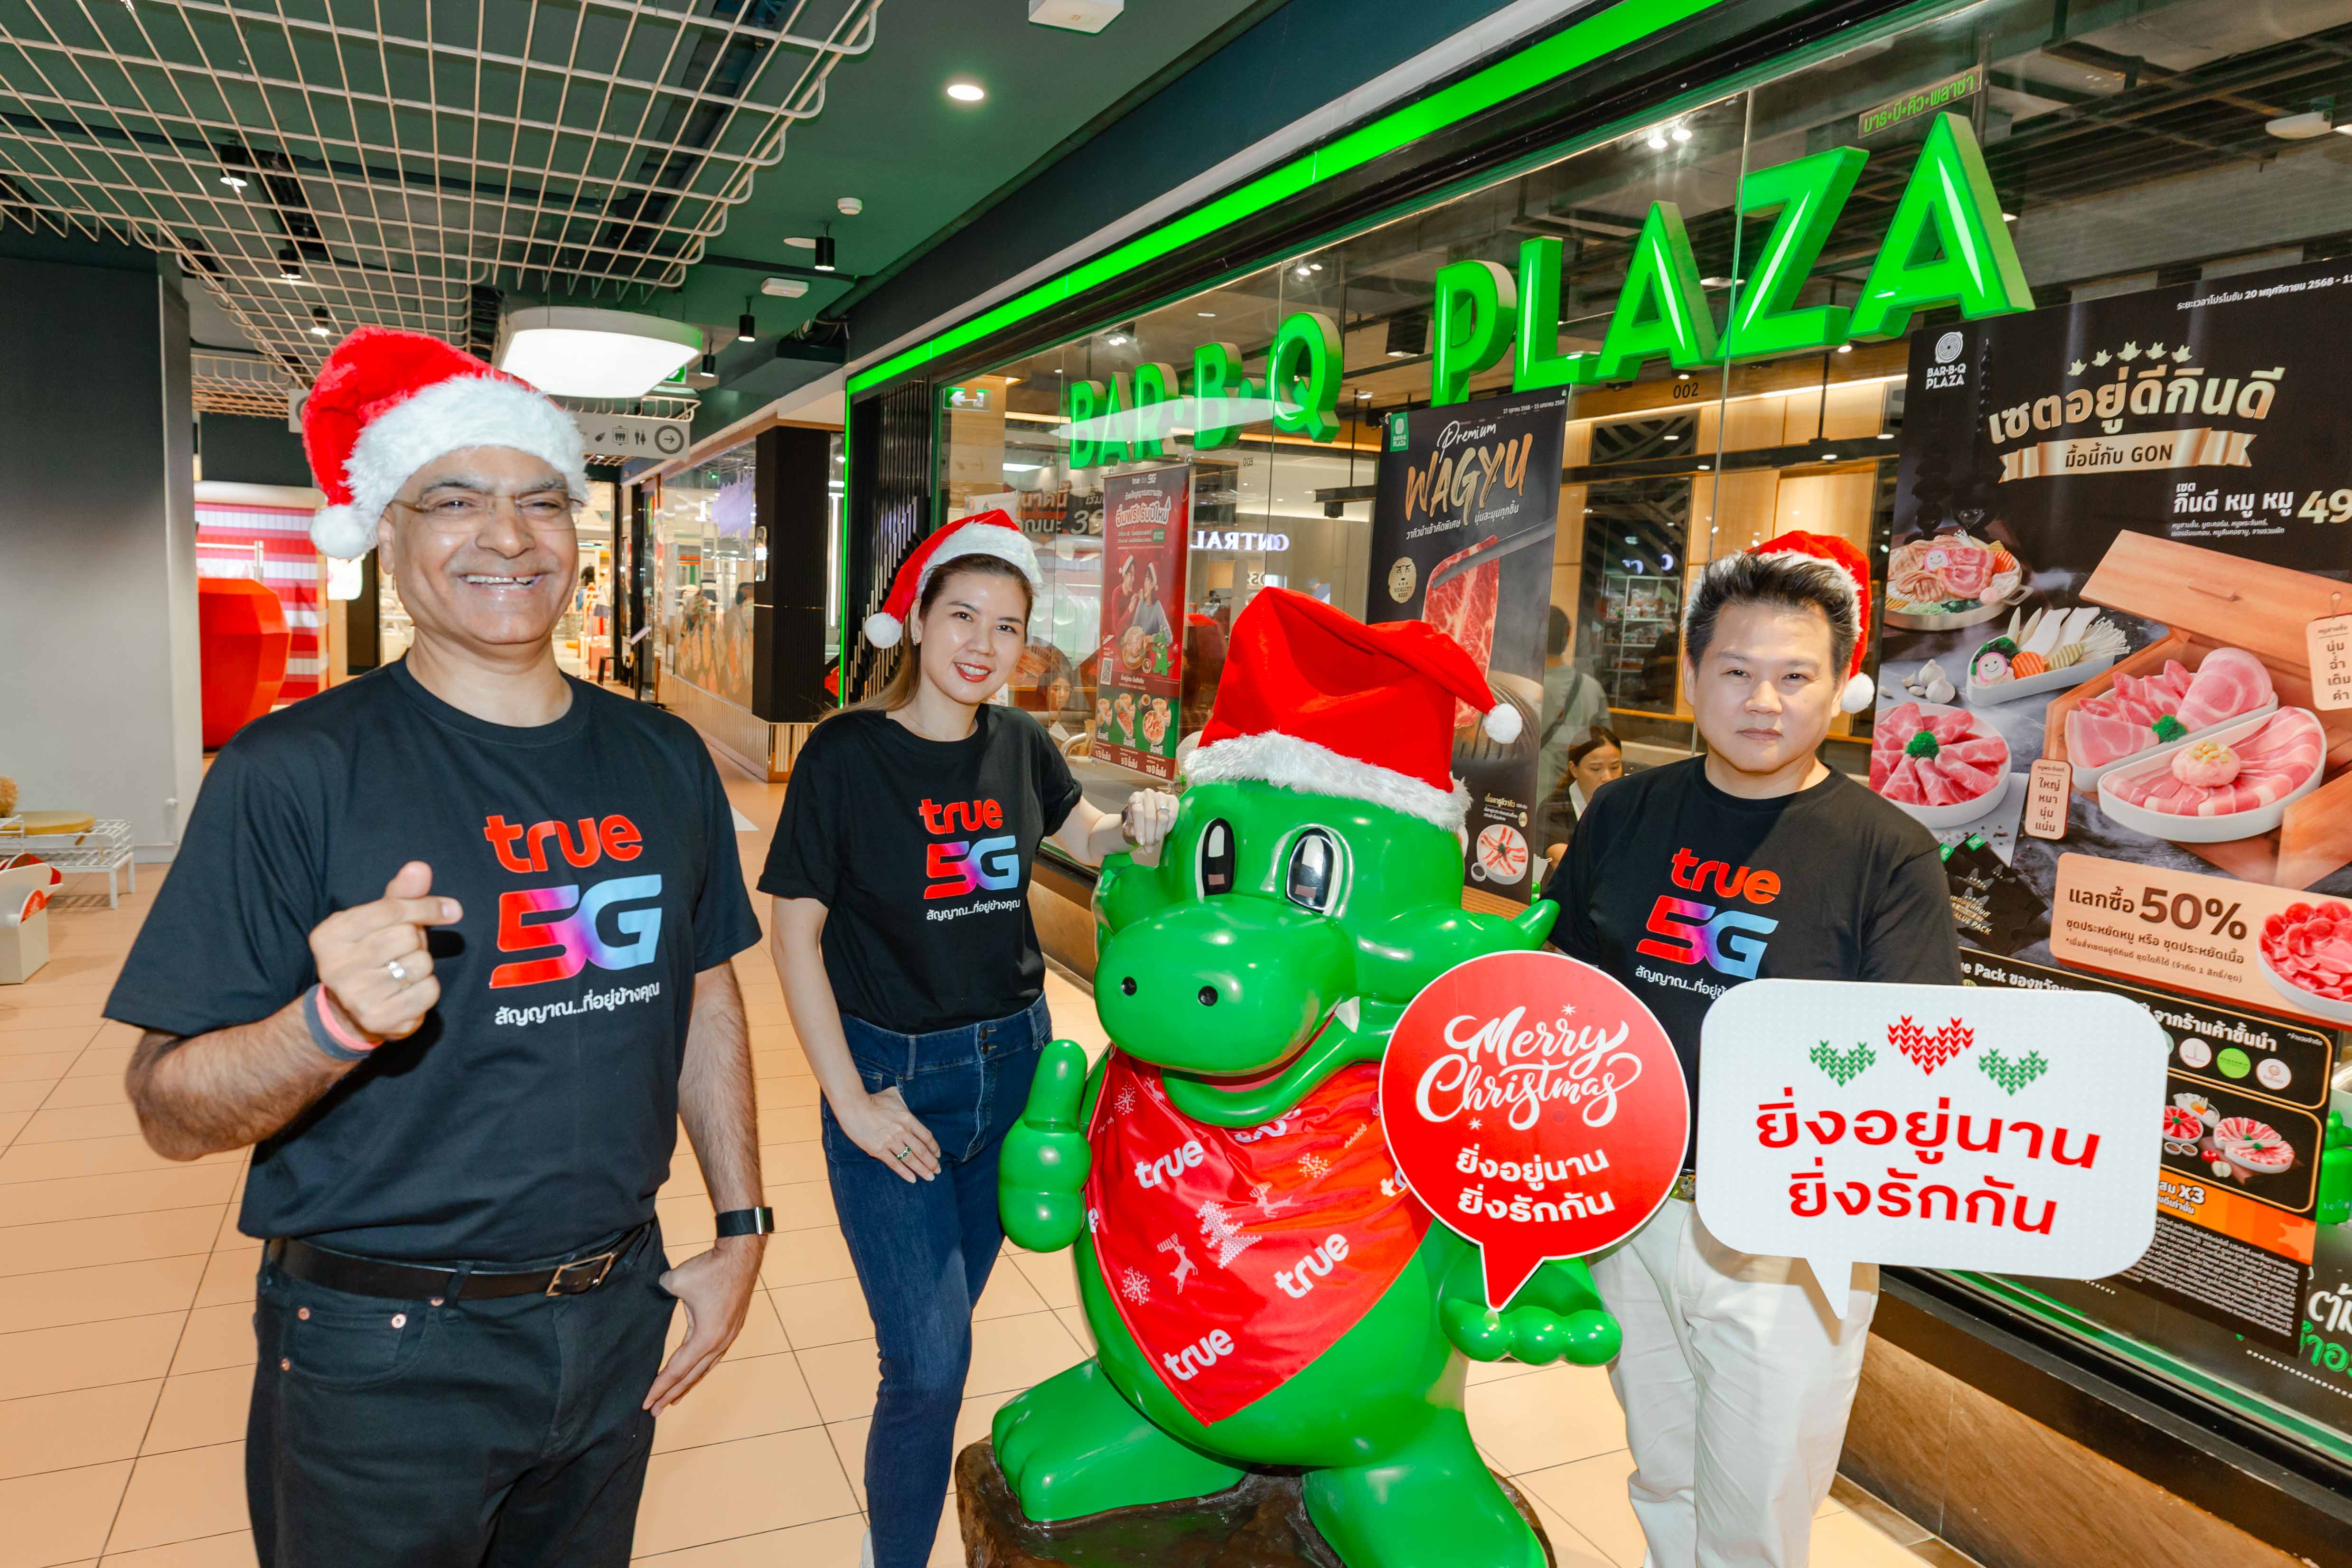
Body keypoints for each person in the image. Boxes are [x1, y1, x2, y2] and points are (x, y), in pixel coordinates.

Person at [104, 329, 769, 1568]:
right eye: (454, 500)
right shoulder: (292, 770)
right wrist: (327, 1026)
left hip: (614, 1311)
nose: (506, 537)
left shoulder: (661, 755)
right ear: (385, 534)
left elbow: (704, 985)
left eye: (539, 501)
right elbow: (166, 1106)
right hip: (384, 1350)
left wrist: (740, 1224)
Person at [760, 511, 1177, 1568]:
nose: (982, 644)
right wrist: (850, 1099)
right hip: (895, 1085)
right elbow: (793, 931)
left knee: (938, 1338)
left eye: (1007, 625)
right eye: (961, 616)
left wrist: (1137, 824)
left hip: (1016, 1074)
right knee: (929, 1364)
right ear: (915, 620)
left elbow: (1080, 834)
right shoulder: (848, 753)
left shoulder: (1020, 742)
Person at [1539, 531, 1961, 1568]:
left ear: (1842, 690)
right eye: (1734, 671)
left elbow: (1916, 1058)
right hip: (1630, 1205)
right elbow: (1562, 986)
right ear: (1690, 677)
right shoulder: (1625, 812)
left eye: (1794, 676)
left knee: (1757, 1508)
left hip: (1790, 1230)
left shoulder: (1888, 852)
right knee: (1663, 1470)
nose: (1762, 701)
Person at [1536, 604, 1607, 799]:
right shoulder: (1592, 688)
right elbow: (1605, 750)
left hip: (1522, 796)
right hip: (1571, 799)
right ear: (1568, 635)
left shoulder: (1518, 687)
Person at [1539, 724, 1623, 871]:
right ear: (1574, 769)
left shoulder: (1630, 801)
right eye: (1596, 769)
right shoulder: (1554, 809)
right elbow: (1563, 862)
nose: (1608, 777)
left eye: (1615, 767)